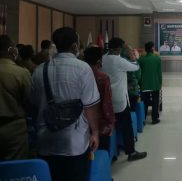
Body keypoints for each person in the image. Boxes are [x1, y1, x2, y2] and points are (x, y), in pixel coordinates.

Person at [31, 27, 100, 181]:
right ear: (75, 46)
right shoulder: (83, 69)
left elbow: (34, 105)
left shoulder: (39, 70)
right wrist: (95, 132)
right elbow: (90, 106)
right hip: (74, 142)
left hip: (45, 140)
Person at [102, 37, 147, 161]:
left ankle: (110, 153)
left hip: (106, 99)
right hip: (119, 99)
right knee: (127, 126)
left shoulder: (103, 58)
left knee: (110, 126)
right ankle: (131, 152)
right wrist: (134, 57)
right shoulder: (118, 60)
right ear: (118, 49)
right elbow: (135, 67)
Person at [0, 35, 31, 160]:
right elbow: (30, 102)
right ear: (11, 51)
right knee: (15, 169)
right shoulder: (21, 73)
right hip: (14, 128)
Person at [84, 47, 115, 150]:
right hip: (99, 123)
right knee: (101, 151)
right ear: (99, 61)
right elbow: (107, 102)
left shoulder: (80, 74)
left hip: (81, 123)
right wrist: (110, 122)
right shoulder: (102, 77)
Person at [139, 41, 162, 124]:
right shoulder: (157, 59)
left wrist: (139, 83)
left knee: (144, 102)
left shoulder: (141, 59)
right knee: (155, 102)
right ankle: (154, 119)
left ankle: (143, 119)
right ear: (152, 48)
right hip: (155, 84)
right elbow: (159, 73)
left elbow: (139, 73)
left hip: (144, 85)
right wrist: (160, 83)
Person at [120, 44, 141, 113]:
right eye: (131, 51)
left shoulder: (120, 60)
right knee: (132, 110)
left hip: (121, 91)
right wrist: (136, 60)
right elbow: (138, 76)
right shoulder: (131, 62)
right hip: (132, 91)